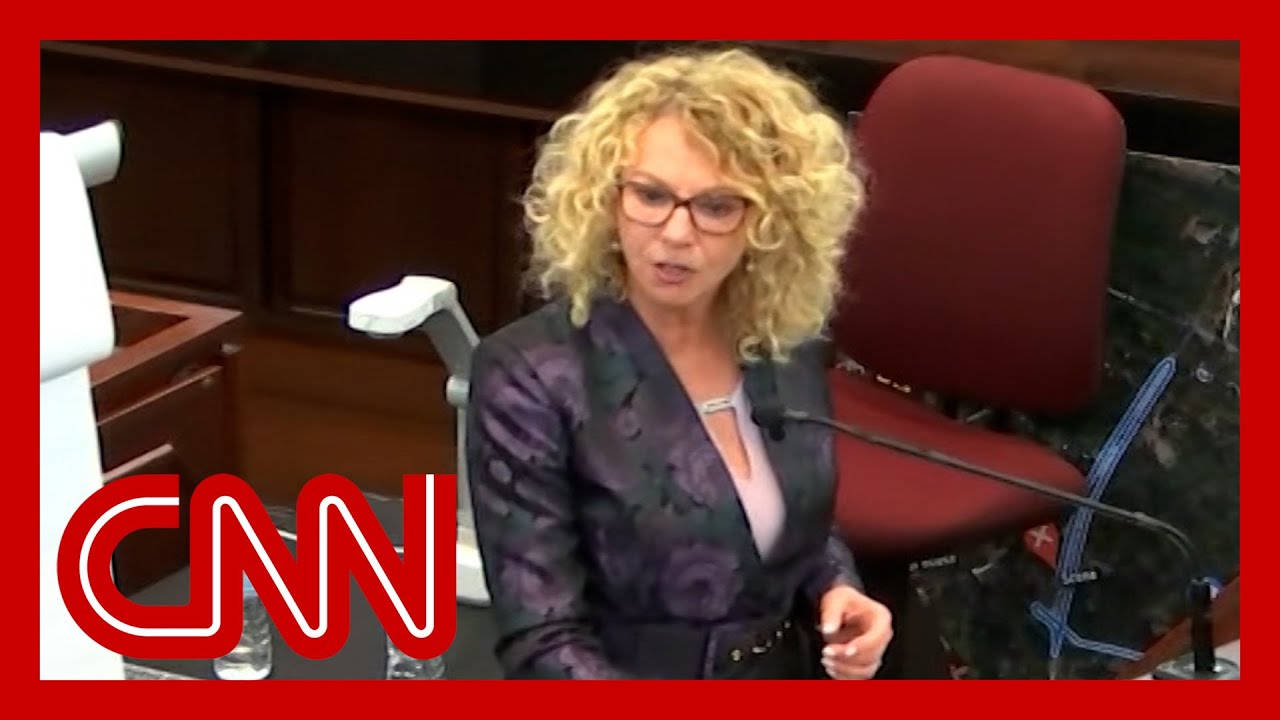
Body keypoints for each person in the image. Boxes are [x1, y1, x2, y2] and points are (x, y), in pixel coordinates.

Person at [464, 46, 892, 680]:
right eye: (650, 195)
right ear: (605, 200)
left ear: (769, 222)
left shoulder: (782, 342)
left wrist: (837, 588)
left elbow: (789, 519)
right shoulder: (532, 375)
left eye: (716, 206)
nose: (675, 233)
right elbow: (543, 640)